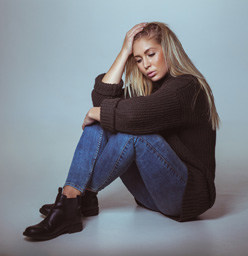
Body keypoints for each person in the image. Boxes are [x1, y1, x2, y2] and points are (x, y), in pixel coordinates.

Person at [23, 22, 220, 240]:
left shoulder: (187, 87)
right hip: (149, 195)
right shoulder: (149, 87)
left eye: (151, 54)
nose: (145, 64)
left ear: (168, 50)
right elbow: (101, 100)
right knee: (102, 121)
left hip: (184, 196)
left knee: (129, 131)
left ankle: (73, 201)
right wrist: (124, 51)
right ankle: (74, 198)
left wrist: (93, 112)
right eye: (138, 59)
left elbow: (130, 115)